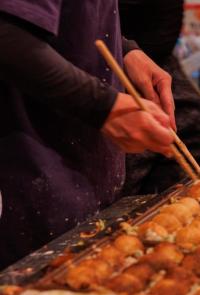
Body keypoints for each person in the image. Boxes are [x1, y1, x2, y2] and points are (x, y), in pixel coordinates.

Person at [0, 2, 176, 268]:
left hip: (79, 184)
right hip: (28, 184)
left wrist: (125, 50)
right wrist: (103, 107)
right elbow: (7, 33)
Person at [119, 0, 200, 195]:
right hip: (111, 71)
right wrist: (123, 50)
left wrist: (127, 49)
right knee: (131, 171)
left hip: (157, 62)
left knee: (199, 145)